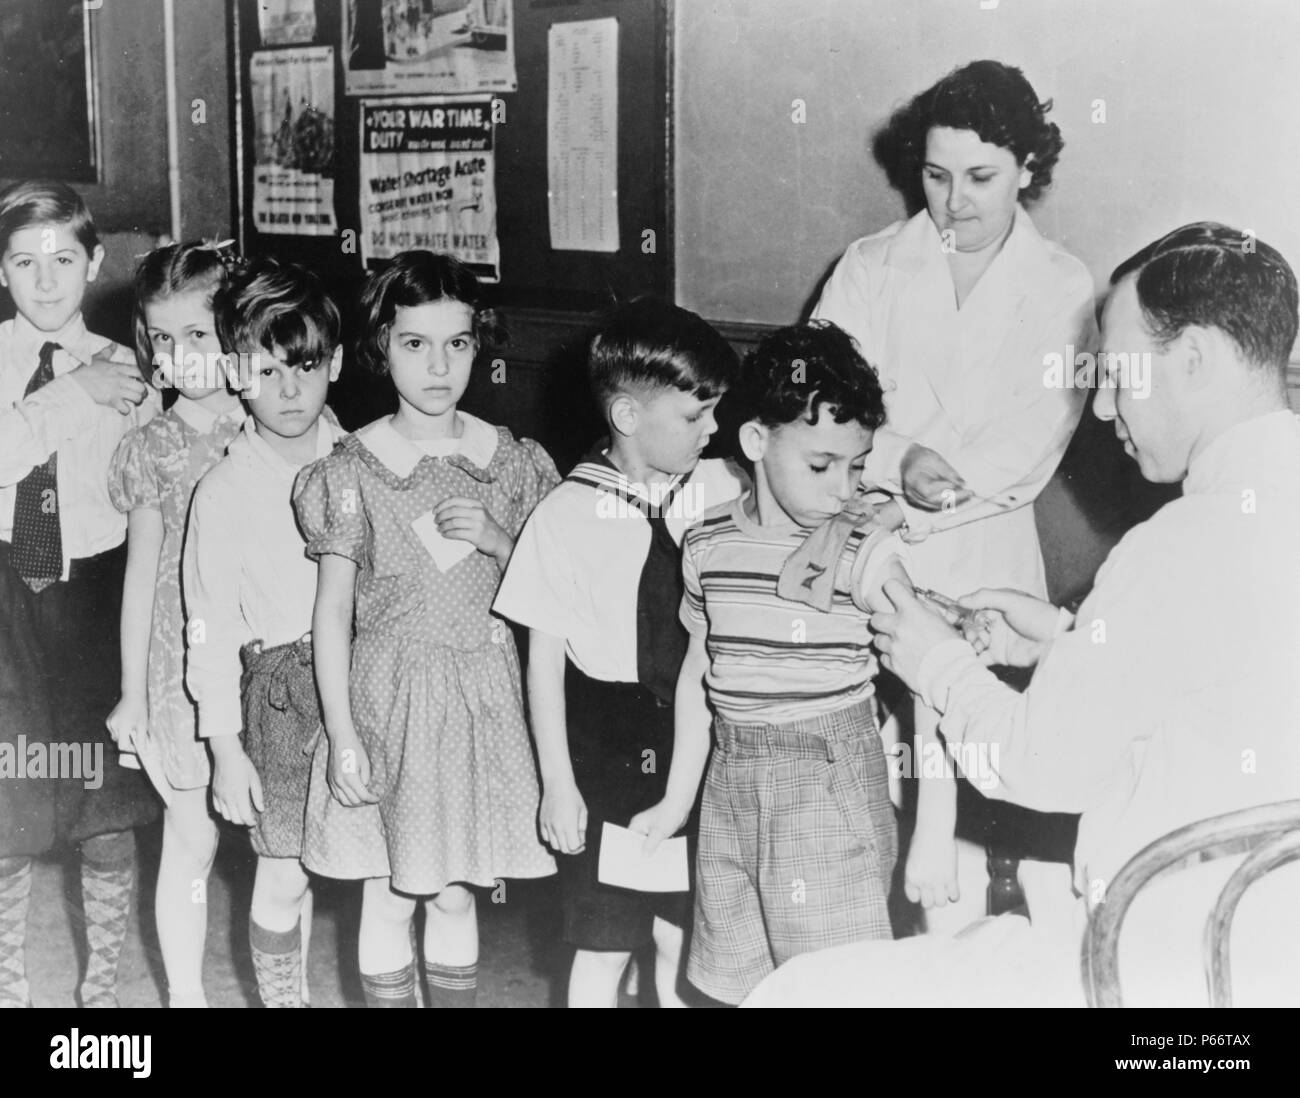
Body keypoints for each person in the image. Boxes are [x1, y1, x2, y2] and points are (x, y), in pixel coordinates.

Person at [749, 223, 1300, 1007]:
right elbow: (1216, 681)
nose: (1104, 406)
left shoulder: (1180, 543)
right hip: (1267, 956)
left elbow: (1042, 770)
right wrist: (1066, 640)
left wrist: (937, 661)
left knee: (798, 992)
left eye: (1116, 375)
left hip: (1158, 974)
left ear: (1195, 358)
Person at [812, 60, 1097, 929]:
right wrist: (896, 462)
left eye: (981, 177)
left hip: (989, 551)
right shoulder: (869, 266)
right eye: (936, 176)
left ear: (1028, 171)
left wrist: (921, 493)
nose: (954, 201)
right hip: (871, 543)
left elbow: (1031, 443)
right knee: (883, 803)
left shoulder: (1065, 288)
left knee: (985, 799)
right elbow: (819, 402)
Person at [295, 251, 556, 1009]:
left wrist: (502, 541)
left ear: (481, 346)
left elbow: (550, 593)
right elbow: (331, 613)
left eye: (458, 343)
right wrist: (341, 731)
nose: (438, 365)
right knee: (388, 889)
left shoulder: (511, 463)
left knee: (454, 893)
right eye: (415, 343)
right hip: (391, 706)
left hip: (483, 698)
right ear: (382, 346)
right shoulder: (353, 469)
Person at [629, 321, 910, 1005]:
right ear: (756, 442)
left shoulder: (860, 548)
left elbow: (928, 662)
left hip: (826, 782)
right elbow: (702, 672)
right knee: (738, 987)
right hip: (731, 784)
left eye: (858, 465)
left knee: (835, 989)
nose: (844, 489)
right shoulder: (707, 544)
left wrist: (932, 826)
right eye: (821, 465)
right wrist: (676, 798)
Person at [495, 298, 743, 1008]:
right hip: (606, 744)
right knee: (605, 943)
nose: (713, 428)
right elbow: (543, 665)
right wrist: (559, 784)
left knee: (682, 937)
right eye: (696, 416)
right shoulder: (566, 514)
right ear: (628, 416)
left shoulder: (721, 488)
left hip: (698, 733)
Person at [0, 181, 160, 1008]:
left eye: (65, 259)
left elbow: (152, 499)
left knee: (107, 805)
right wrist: (71, 394)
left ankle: (101, 988)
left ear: (95, 263)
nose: (47, 279)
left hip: (95, 595)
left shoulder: (130, 372)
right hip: (5, 597)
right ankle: (10, 987)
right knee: (7, 798)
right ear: (2, 271)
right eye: (25, 263)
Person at [182, 258, 348, 1007]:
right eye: (267, 369)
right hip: (280, 702)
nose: (289, 389)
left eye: (306, 367)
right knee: (284, 873)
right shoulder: (222, 491)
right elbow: (209, 632)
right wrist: (223, 748)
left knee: (379, 869)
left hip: (364, 683)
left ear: (335, 364)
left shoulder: (363, 462)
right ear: (234, 373)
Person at [105, 242, 247, 1008]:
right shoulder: (153, 447)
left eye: (199, 335)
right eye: (163, 339)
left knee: (280, 847)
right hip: (178, 662)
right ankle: (186, 997)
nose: (181, 357)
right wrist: (133, 691)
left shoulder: (280, 420)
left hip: (268, 658)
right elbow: (140, 574)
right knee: (191, 838)